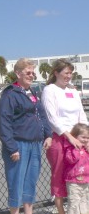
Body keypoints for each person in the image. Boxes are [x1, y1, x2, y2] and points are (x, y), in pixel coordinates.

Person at [0, 58, 53, 214]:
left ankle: (29, 211)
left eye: (32, 72)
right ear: (18, 73)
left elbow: (42, 115)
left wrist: (48, 135)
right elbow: (4, 123)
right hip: (18, 145)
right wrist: (12, 148)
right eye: (27, 72)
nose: (31, 75)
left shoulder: (32, 92)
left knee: (30, 182)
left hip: (35, 145)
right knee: (16, 183)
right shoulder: (10, 94)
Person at [42, 58, 88, 214]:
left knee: (79, 174)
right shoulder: (49, 90)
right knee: (59, 175)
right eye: (66, 73)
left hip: (78, 139)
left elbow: (81, 114)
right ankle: (61, 210)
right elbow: (52, 117)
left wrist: (86, 136)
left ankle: (79, 208)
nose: (69, 76)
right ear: (56, 73)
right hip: (60, 138)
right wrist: (69, 137)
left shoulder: (73, 91)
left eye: (71, 73)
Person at [63, 123, 89, 214]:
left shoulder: (87, 149)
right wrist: (77, 149)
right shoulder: (70, 148)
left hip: (86, 180)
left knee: (84, 200)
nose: (86, 140)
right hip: (73, 181)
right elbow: (71, 160)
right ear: (75, 137)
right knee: (74, 202)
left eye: (88, 138)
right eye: (83, 137)